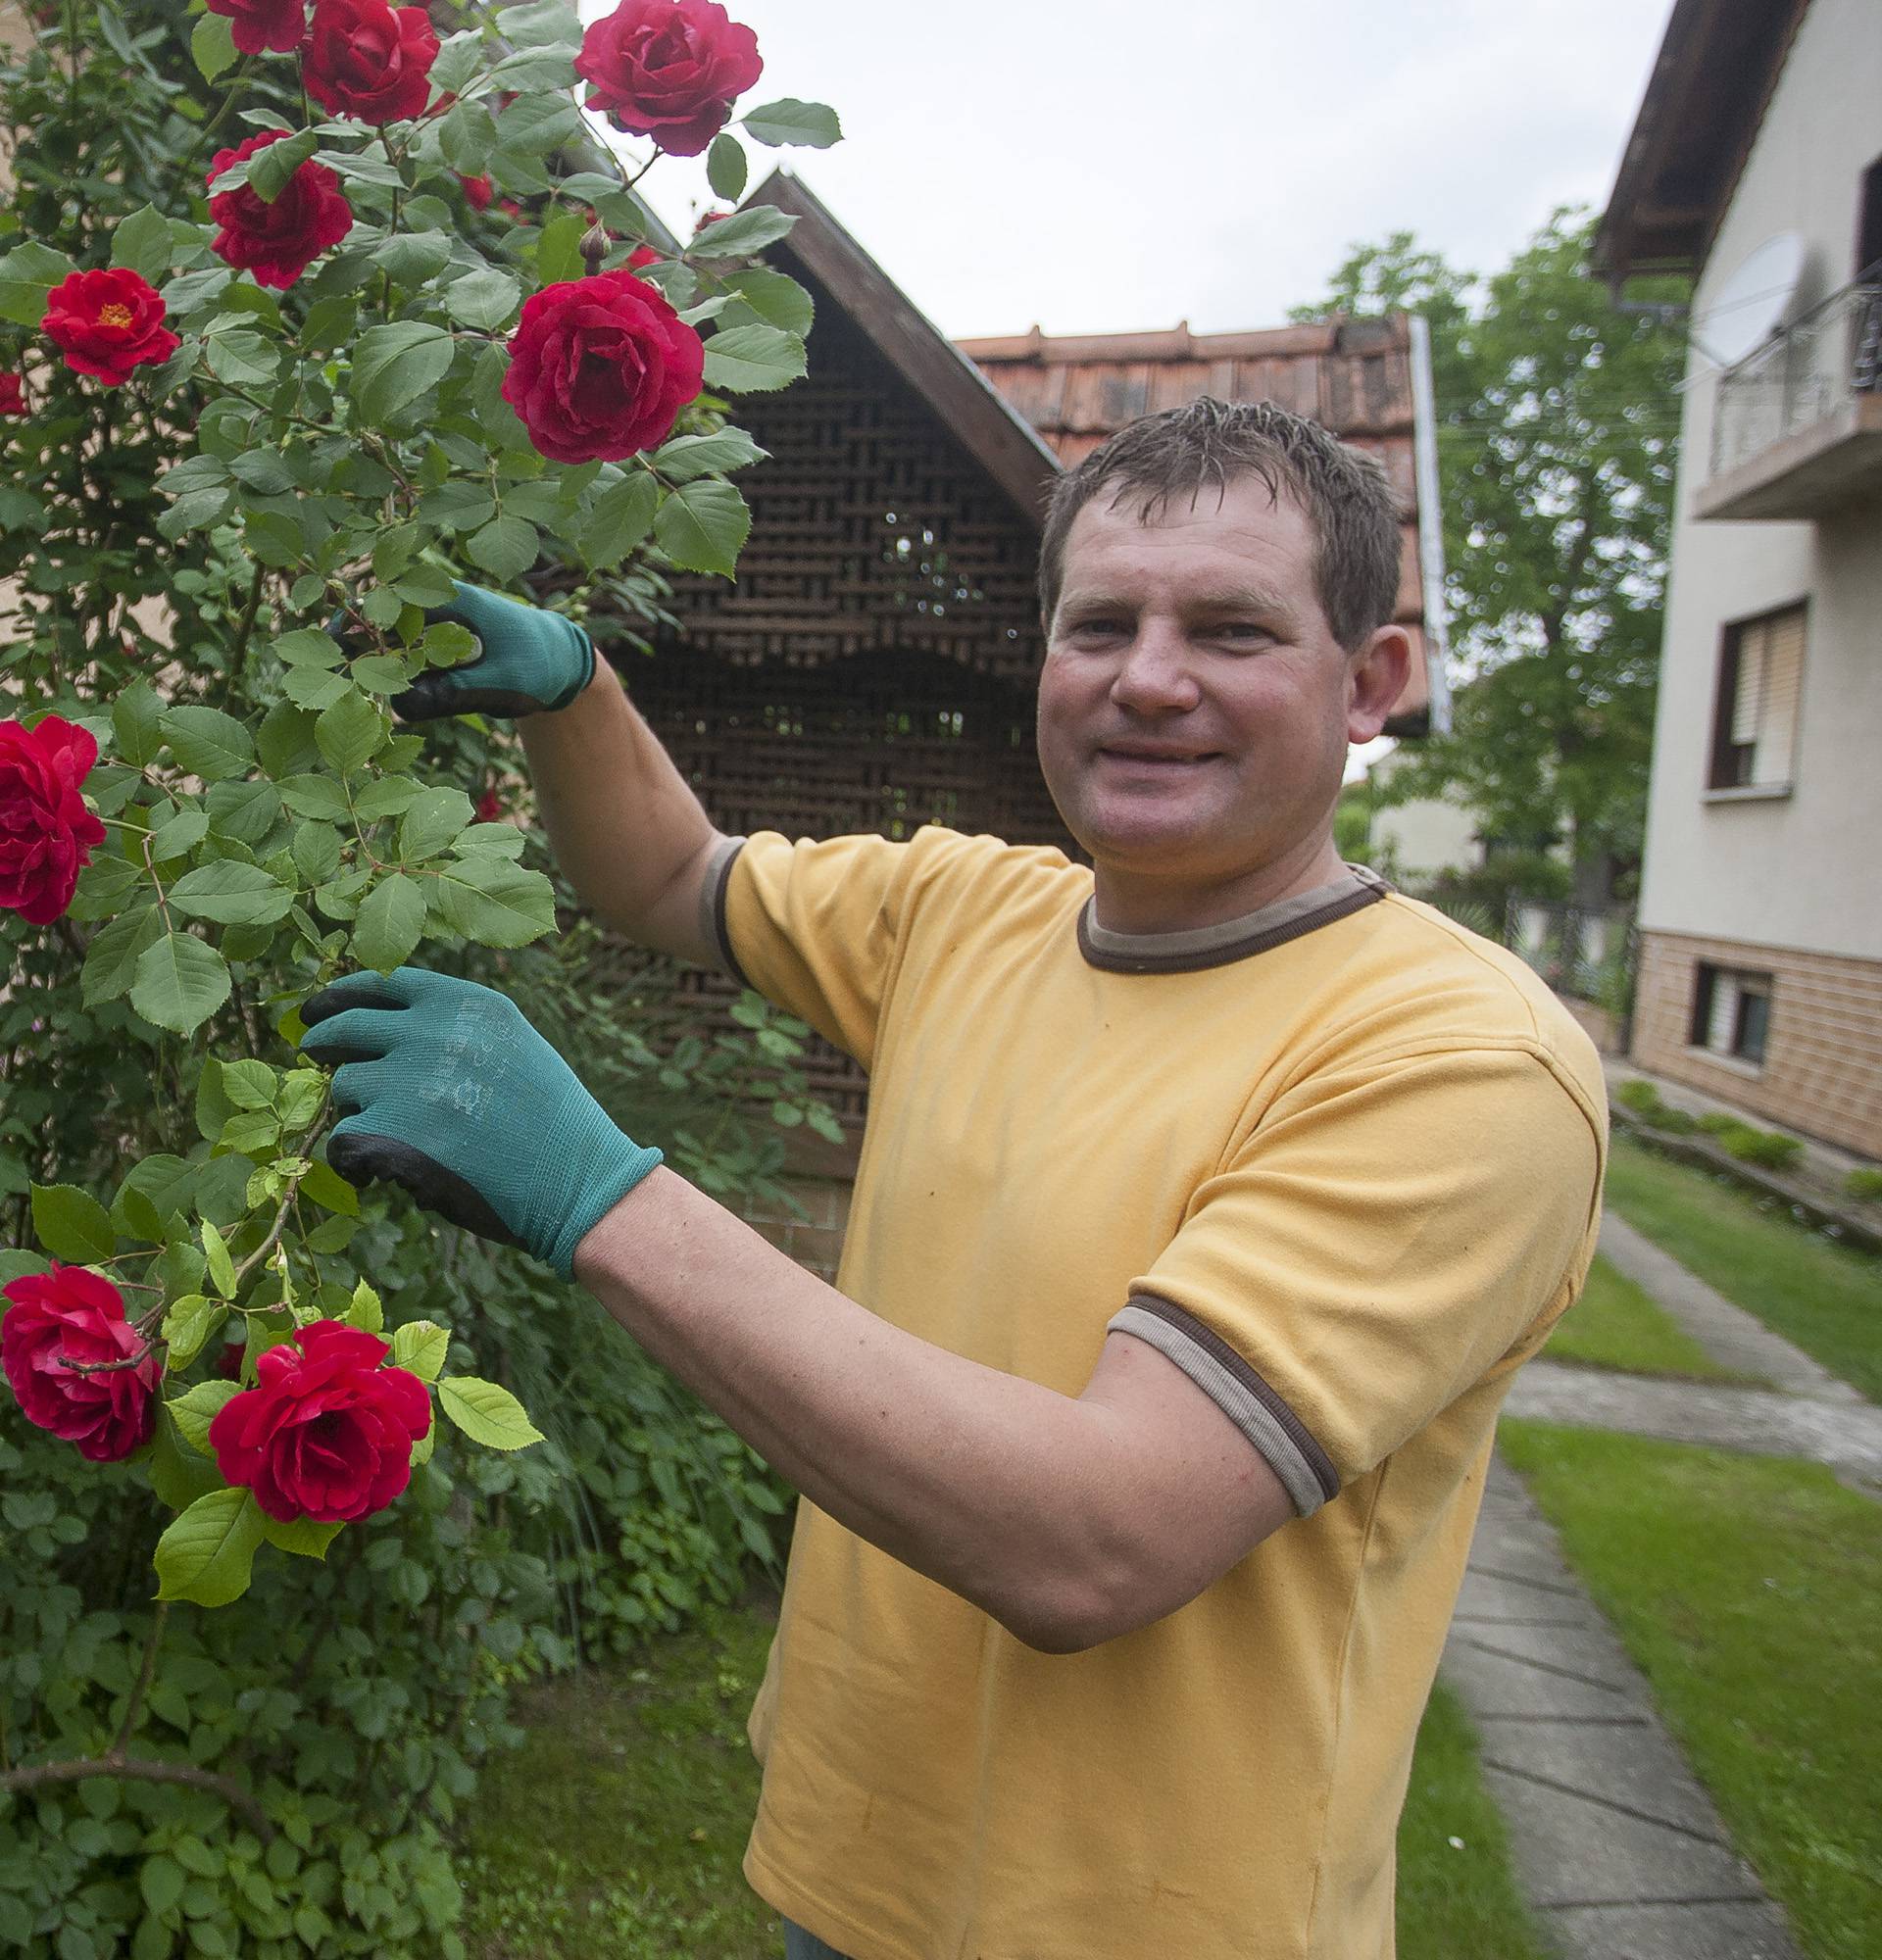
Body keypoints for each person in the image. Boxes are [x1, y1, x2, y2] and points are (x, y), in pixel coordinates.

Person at [299, 398, 1606, 1960]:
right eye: (1101, 623)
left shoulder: (1454, 1061)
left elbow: (1096, 1536)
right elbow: (669, 876)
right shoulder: (966, 913)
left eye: (1234, 630)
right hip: (852, 1866)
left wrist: (598, 1195)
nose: (1150, 679)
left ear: (1370, 682)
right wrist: (576, 692)